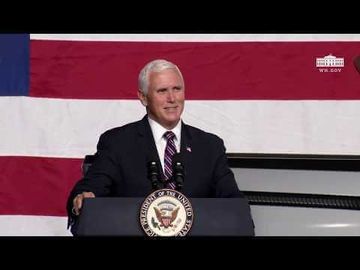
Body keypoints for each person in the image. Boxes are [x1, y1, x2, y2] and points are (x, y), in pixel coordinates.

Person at [66, 59, 244, 230]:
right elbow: (92, 185)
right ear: (143, 97)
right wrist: (84, 197)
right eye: (162, 91)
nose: (172, 98)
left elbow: (233, 202)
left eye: (177, 89)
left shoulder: (209, 146)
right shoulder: (118, 142)